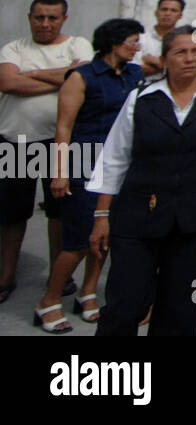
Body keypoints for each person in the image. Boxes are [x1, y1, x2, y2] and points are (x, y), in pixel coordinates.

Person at [88, 26, 196, 336]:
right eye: (180, 52)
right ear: (164, 59)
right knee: (126, 302)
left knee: (180, 305)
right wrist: (101, 215)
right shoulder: (142, 98)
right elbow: (114, 158)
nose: (189, 59)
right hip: (138, 215)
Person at [34, 19, 144, 332]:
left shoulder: (136, 75)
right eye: (133, 41)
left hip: (120, 165)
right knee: (79, 239)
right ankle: (49, 300)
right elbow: (63, 127)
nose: (137, 47)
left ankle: (88, 292)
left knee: (105, 233)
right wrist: (59, 172)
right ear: (114, 42)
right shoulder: (81, 77)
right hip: (83, 163)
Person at [0, 0, 92, 307]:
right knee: (11, 214)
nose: (45, 23)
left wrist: (31, 73)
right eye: (39, 17)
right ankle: (5, 276)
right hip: (16, 141)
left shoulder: (78, 45)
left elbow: (83, 77)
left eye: (52, 18)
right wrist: (64, 77)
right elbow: (8, 83)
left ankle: (60, 277)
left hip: (63, 143)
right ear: (29, 18)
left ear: (64, 19)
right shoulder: (14, 47)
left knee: (61, 213)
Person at [135, 0, 185, 82]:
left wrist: (159, 63)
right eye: (164, 9)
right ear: (156, 12)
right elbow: (133, 70)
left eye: (173, 10)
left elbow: (184, 70)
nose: (167, 14)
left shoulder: (183, 42)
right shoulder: (140, 38)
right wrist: (169, 66)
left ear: (180, 16)